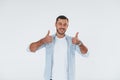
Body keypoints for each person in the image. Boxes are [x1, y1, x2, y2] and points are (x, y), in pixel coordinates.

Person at [29, 15, 88, 80]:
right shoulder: (48, 40)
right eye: (60, 24)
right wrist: (42, 41)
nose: (62, 26)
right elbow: (30, 49)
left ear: (67, 26)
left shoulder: (73, 41)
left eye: (65, 24)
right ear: (55, 24)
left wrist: (79, 43)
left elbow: (86, 54)